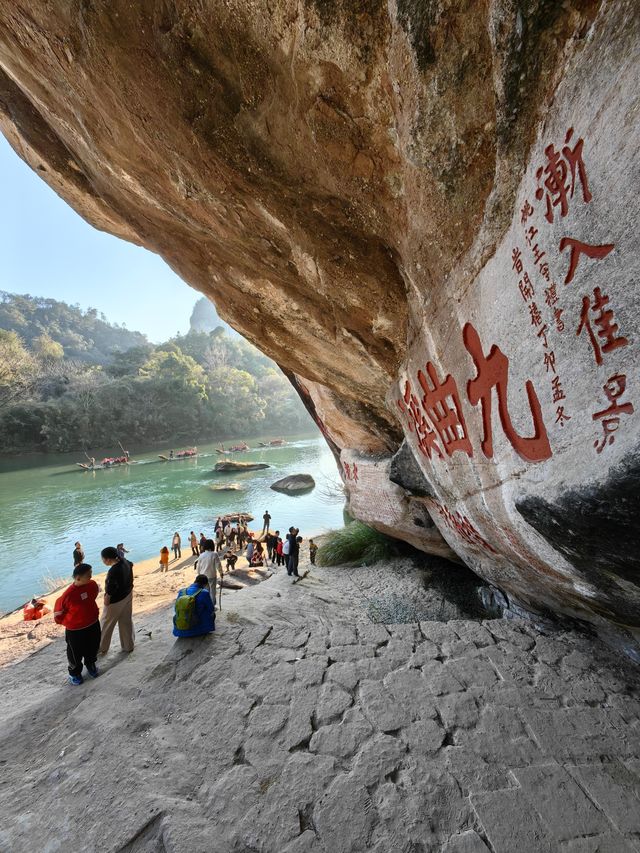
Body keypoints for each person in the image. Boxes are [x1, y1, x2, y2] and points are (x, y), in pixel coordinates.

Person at [54, 563, 101, 685]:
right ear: (78, 578)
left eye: (91, 573)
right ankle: (74, 673)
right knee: (75, 653)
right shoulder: (68, 595)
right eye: (88, 575)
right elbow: (58, 614)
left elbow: (94, 595)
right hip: (75, 630)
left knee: (93, 646)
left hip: (93, 623)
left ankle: (90, 664)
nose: (91, 576)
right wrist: (71, 621)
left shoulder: (92, 585)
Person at [99, 546, 134, 655]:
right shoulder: (126, 562)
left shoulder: (113, 571)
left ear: (108, 559)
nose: (103, 561)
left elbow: (110, 588)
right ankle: (128, 646)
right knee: (126, 621)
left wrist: (107, 599)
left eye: (103, 559)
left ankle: (101, 648)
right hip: (128, 595)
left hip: (116, 601)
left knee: (106, 624)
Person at [195, 539, 222, 603]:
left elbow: (198, 567)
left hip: (203, 576)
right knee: (213, 592)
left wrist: (199, 574)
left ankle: (207, 605)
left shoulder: (201, 555)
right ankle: (212, 606)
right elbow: (218, 565)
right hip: (212, 575)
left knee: (206, 591)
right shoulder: (214, 554)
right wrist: (221, 573)